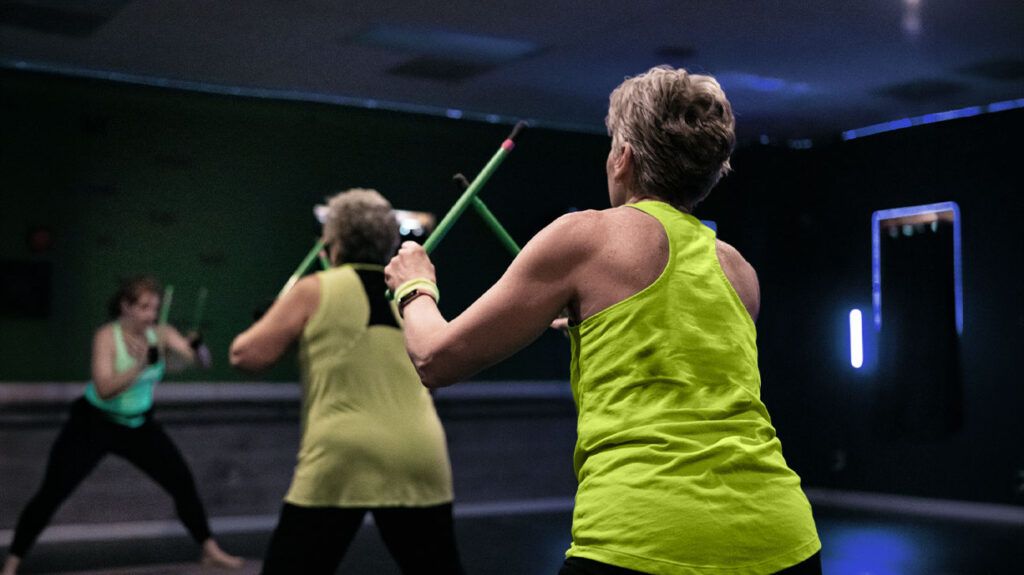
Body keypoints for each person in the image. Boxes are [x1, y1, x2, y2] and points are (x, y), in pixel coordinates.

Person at [384, 66, 822, 575]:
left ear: (623, 157)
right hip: (782, 537)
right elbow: (682, 356)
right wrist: (591, 322)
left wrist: (415, 286)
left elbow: (435, 359)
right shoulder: (740, 271)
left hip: (645, 535)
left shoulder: (586, 236)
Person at [229, 188, 463, 575]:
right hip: (419, 452)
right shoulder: (410, 300)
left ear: (332, 242)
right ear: (388, 242)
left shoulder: (313, 289)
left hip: (340, 456)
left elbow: (244, 356)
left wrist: (278, 318)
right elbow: (432, 378)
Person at [1, 276, 243, 575]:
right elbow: (104, 388)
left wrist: (198, 348)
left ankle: (210, 550)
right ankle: (12, 563)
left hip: (139, 426)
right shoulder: (107, 336)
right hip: (94, 424)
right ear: (126, 307)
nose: (151, 315)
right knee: (52, 492)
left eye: (154, 308)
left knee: (182, 481)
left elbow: (200, 362)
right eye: (144, 308)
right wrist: (139, 365)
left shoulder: (161, 333)